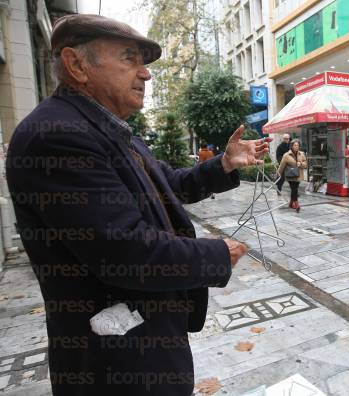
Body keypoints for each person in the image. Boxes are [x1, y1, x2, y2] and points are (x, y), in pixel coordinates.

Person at [6, 14, 270, 396]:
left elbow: (168, 185)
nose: (145, 74)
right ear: (77, 65)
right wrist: (214, 255)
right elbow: (124, 250)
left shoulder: (108, 129)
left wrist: (225, 164)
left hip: (146, 344)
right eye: (129, 58)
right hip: (116, 361)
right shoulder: (58, 136)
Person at [278, 139, 307, 212]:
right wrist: (278, 173)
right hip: (290, 175)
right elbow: (282, 166)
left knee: (294, 189)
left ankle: (291, 203)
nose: (296, 146)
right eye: (295, 145)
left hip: (299, 175)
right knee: (294, 189)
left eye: (297, 145)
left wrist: (301, 164)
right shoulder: (286, 155)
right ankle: (297, 205)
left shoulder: (302, 154)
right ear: (291, 146)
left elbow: (305, 164)